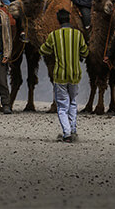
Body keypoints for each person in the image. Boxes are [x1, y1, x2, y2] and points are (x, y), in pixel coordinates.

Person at [39, 8, 89, 143]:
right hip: (75, 75)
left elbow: (43, 49)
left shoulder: (54, 35)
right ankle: (73, 130)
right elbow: (85, 52)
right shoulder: (78, 35)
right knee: (73, 102)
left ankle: (66, 134)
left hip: (60, 75)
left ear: (58, 20)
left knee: (62, 106)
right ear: (69, 19)